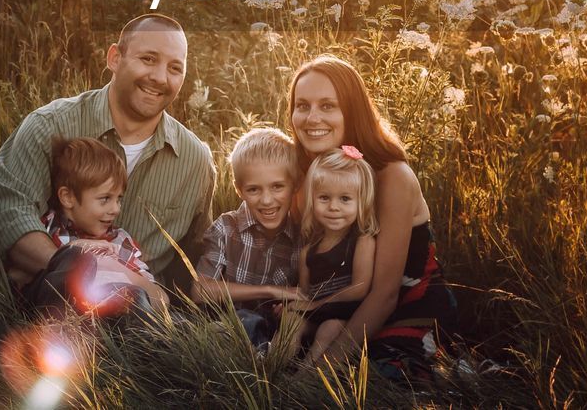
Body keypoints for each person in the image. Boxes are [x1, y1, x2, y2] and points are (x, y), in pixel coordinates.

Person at [0, 14, 216, 313]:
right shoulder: (49, 125)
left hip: (136, 314)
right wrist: (88, 271)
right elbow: (8, 214)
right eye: (148, 59)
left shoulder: (195, 161)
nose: (160, 77)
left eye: (175, 68)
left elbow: (199, 256)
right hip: (41, 301)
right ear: (115, 58)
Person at [288, 55, 457, 381]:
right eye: (302, 105)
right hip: (341, 304)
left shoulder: (392, 176)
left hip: (406, 308)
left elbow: (385, 295)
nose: (311, 117)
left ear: (351, 112)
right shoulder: (308, 173)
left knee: (370, 379)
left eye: (327, 106)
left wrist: (317, 377)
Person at [193, 127, 305, 348]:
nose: (266, 200)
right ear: (239, 190)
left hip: (274, 332)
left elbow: (304, 295)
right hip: (224, 327)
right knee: (239, 324)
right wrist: (272, 290)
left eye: (277, 187)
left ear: (295, 185)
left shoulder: (302, 238)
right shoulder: (226, 229)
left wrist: (289, 305)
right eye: (254, 190)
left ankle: (269, 364)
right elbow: (200, 291)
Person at [40, 136, 170, 317]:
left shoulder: (120, 242)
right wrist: (77, 250)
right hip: (65, 318)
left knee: (138, 298)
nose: (116, 209)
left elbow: (161, 299)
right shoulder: (47, 231)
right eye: (105, 199)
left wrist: (114, 266)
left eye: (119, 199)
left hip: (119, 319)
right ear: (68, 197)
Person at [287, 145, 378, 364]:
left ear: (361, 202)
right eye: (324, 198)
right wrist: (290, 305)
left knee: (329, 328)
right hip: (314, 310)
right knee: (289, 323)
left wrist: (316, 306)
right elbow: (306, 292)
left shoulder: (362, 241)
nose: (333, 207)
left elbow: (359, 289)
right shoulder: (309, 250)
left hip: (341, 312)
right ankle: (273, 367)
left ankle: (305, 378)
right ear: (313, 200)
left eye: (345, 199)